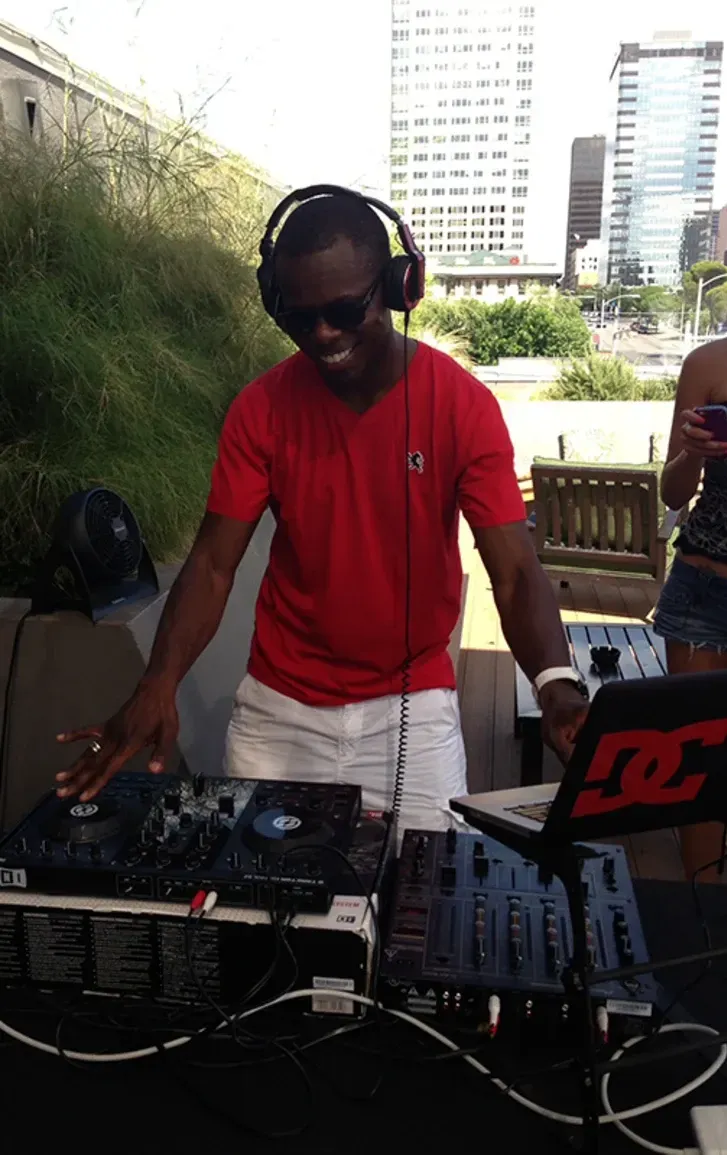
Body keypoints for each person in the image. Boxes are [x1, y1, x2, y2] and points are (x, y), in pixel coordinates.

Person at [54, 188, 589, 832]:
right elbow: (214, 565)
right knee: (259, 912)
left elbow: (514, 570)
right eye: (299, 318)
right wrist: (158, 682)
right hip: (277, 714)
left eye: (342, 310)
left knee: (415, 907)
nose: (322, 335)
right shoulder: (261, 408)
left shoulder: (461, 405)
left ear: (398, 287)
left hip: (412, 712)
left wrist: (555, 683)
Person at [655, 191, 727, 880]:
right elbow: (672, 493)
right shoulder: (707, 363)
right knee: (695, 769)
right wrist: (694, 452)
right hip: (705, 589)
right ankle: (705, 924)